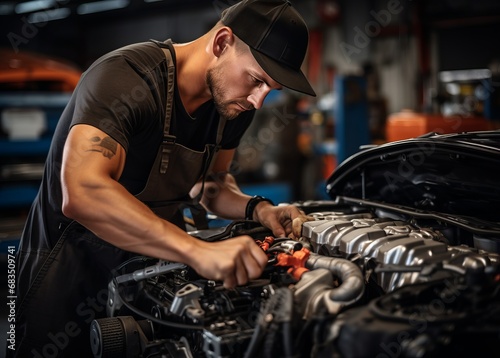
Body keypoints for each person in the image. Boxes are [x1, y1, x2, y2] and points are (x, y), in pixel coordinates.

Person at [10, 0, 316, 356]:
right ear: (221, 43)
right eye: (256, 80)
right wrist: (196, 251)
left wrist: (258, 209)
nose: (258, 101)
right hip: (66, 275)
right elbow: (82, 191)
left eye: (271, 90)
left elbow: (211, 186)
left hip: (147, 276)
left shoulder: (231, 108)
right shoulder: (125, 78)